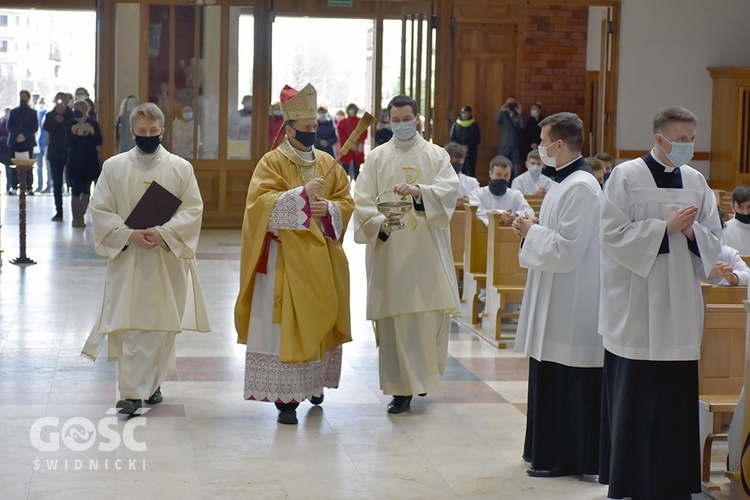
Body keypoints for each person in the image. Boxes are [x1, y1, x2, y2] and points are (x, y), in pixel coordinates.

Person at [598, 106, 722, 498]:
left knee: (674, 398)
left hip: (680, 306)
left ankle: (675, 482)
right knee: (638, 395)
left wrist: (690, 235)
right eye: (681, 139)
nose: (688, 147)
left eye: (691, 139)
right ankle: (632, 480)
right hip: (636, 303)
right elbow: (609, 235)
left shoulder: (697, 180)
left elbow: (715, 239)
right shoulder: (626, 175)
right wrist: (663, 229)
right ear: (659, 139)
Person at [235, 83, 353, 426]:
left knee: (321, 315)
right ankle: (285, 399)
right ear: (288, 130)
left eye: (315, 128)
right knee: (283, 323)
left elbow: (346, 201)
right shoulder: (271, 163)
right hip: (283, 261)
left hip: (321, 259)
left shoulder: (329, 163)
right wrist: (301, 196)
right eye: (305, 130)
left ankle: (315, 384)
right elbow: (258, 206)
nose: (312, 134)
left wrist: (326, 208)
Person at [81, 102, 210, 415]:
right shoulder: (113, 167)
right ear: (132, 132)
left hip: (165, 260)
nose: (148, 136)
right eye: (142, 132)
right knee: (131, 325)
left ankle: (151, 384)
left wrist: (164, 232)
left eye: (154, 132)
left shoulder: (180, 168)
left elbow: (192, 209)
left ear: (162, 131)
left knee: (160, 325)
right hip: (129, 258)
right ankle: (132, 393)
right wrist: (128, 234)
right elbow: (100, 209)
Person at [353, 94, 460, 415]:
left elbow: (448, 190)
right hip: (390, 251)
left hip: (425, 251)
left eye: (406, 119)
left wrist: (419, 193)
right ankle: (401, 391)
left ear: (418, 119)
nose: (401, 125)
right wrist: (378, 221)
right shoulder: (376, 159)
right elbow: (361, 199)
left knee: (425, 318)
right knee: (396, 320)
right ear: (388, 121)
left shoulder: (435, 155)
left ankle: (423, 378)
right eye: (395, 120)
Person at [511, 112, 603, 479]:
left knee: (567, 377)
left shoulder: (581, 186)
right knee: (550, 371)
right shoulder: (564, 183)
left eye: (543, 140)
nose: (539, 148)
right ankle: (544, 451)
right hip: (557, 293)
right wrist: (530, 229)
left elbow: (568, 249)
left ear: (559, 145)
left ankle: (566, 458)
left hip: (573, 298)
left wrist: (530, 230)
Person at [66, 100, 103, 228]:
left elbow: (99, 141)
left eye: (79, 108)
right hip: (75, 160)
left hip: (89, 160)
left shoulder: (93, 123)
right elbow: (68, 143)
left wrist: (92, 132)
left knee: (86, 189)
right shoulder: (71, 123)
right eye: (74, 108)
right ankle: (74, 216)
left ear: (85, 109)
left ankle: (81, 215)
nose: (76, 111)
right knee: (75, 189)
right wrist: (74, 133)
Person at [468, 155, 533, 227]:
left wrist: (516, 215)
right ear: (491, 174)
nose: (502, 178)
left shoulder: (516, 195)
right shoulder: (477, 194)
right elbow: (475, 212)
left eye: (506, 175)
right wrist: (499, 216)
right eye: (498, 174)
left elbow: (530, 213)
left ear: (510, 175)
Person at [43, 93, 75, 221]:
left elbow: (73, 128)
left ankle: (76, 213)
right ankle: (59, 212)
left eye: (63, 101)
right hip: (55, 153)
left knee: (72, 182)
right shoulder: (50, 115)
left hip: (70, 152)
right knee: (57, 184)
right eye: (58, 101)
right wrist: (55, 120)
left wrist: (63, 121)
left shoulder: (72, 115)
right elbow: (46, 127)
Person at [7, 90, 39, 195]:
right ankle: (14, 186)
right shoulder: (13, 112)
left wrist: (24, 135)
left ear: (28, 98)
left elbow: (35, 127)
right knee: (13, 165)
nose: (22, 99)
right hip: (15, 142)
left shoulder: (33, 113)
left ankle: (29, 186)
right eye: (21, 96)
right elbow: (9, 125)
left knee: (28, 166)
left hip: (27, 142)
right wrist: (17, 135)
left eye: (24, 97)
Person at [494, 96, 525, 177]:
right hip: (503, 146)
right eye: (508, 103)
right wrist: (501, 110)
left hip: (515, 147)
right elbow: (496, 121)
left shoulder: (518, 115)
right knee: (500, 167)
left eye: (512, 103)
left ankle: (514, 186)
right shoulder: (503, 115)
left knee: (516, 169)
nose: (510, 105)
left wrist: (520, 113)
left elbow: (523, 126)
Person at [337, 103, 367, 181]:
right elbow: (341, 136)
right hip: (346, 149)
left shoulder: (360, 121)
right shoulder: (342, 121)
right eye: (350, 109)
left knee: (357, 170)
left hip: (357, 149)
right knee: (344, 171)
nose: (352, 111)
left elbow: (364, 133)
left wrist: (361, 143)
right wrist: (350, 144)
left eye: (353, 109)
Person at [444, 142, 478, 209]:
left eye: (458, 161)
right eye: (452, 161)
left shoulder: (471, 182)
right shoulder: (435, 180)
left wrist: (467, 201)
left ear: (463, 160)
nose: (455, 164)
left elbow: (478, 201)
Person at [449, 105, 481, 177]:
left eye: (467, 113)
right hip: (458, 152)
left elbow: (477, 139)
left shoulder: (474, 125)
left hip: (470, 152)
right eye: (463, 112)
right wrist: (460, 147)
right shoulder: (456, 125)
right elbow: (452, 138)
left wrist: (467, 147)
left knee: (470, 171)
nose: (465, 114)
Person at [722, 186, 750, 254]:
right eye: (740, 207)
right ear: (732, 207)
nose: (746, 212)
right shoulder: (724, 230)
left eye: (749, 207)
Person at [36, 97, 48, 192]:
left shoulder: (48, 114)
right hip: (38, 144)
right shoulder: (36, 114)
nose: (41, 104)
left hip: (46, 143)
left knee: (48, 167)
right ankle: (39, 185)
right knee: (38, 167)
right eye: (40, 102)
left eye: (43, 103)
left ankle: (49, 185)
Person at [0, 107, 11, 194]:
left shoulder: (12, 123)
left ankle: (9, 188)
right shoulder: (1, 123)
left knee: (9, 170)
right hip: (1, 149)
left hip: (8, 150)